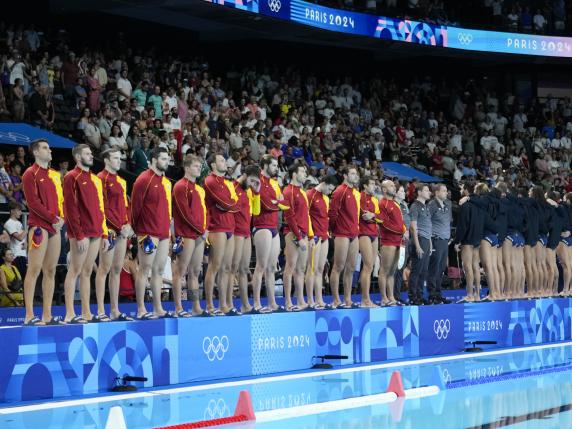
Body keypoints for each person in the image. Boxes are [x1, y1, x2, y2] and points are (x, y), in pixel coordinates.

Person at [63, 144, 109, 323]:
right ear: (77, 157)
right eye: (87, 154)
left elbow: (100, 208)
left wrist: (104, 234)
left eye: (91, 153)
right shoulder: (71, 177)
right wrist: (79, 234)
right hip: (81, 233)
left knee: (88, 271)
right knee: (74, 269)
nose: (91, 156)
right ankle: (69, 313)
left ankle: (86, 312)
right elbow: (70, 208)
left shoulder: (96, 180)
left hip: (96, 230)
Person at [21, 139, 65, 325]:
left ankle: (47, 315)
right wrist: (54, 219)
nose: (50, 150)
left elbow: (60, 199)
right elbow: (33, 203)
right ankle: (29, 315)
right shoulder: (30, 173)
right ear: (36, 152)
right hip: (39, 225)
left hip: (55, 227)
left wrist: (61, 217)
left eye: (49, 147)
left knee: (50, 271)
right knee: (34, 269)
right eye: (46, 148)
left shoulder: (55, 174)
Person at [131, 147, 172, 319]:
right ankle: (141, 308)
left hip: (163, 232)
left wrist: (169, 230)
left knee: (159, 270)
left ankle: (157, 307)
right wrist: (136, 229)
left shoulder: (166, 182)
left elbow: (168, 209)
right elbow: (135, 207)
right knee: (144, 269)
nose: (167, 162)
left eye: (167, 159)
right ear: (154, 160)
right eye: (163, 159)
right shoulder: (143, 179)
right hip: (147, 232)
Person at [94, 148, 134, 322]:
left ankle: (115, 309)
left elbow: (125, 207)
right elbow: (101, 207)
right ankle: (101, 310)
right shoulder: (100, 179)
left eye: (120, 158)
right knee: (104, 269)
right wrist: (119, 226)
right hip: (109, 229)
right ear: (106, 160)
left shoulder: (122, 181)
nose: (119, 161)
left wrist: (128, 224)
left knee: (117, 269)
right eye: (116, 158)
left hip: (122, 230)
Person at [172, 155, 208, 317]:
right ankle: (178, 307)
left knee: (194, 273)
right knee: (180, 272)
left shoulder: (198, 188)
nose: (198, 169)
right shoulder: (180, 186)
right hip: (187, 234)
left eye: (199, 166)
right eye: (195, 166)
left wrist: (204, 229)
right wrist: (201, 230)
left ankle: (195, 306)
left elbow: (203, 212)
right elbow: (184, 213)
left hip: (199, 234)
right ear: (187, 168)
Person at [252, 155, 288, 313]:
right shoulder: (256, 180)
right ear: (265, 165)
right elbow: (265, 204)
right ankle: (257, 303)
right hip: (261, 225)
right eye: (273, 165)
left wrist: (277, 202)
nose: (276, 168)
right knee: (260, 266)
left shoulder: (274, 183)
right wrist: (277, 203)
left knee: (272, 267)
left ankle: (272, 302)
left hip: (274, 226)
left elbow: (284, 204)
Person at [203, 153, 239, 315]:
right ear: (213, 165)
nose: (225, 163)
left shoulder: (226, 182)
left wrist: (230, 204)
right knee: (214, 266)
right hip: (217, 227)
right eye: (222, 161)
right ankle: (210, 305)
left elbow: (233, 203)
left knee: (226, 267)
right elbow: (226, 203)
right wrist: (230, 204)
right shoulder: (210, 180)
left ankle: (224, 304)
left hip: (230, 226)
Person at [328, 165, 361, 308]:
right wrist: (335, 230)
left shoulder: (355, 192)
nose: (355, 176)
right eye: (352, 173)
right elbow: (332, 213)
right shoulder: (339, 191)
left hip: (354, 233)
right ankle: (336, 299)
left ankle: (347, 298)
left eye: (356, 174)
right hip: (342, 233)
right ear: (346, 176)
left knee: (351, 267)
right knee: (338, 266)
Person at [231, 164, 261, 313]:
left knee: (243, 269)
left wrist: (257, 193)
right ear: (244, 174)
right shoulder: (233, 187)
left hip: (246, 232)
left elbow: (256, 212)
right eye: (251, 180)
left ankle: (245, 305)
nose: (251, 184)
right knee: (232, 269)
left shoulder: (249, 191)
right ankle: (228, 304)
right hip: (235, 232)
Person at [282, 163, 311, 311]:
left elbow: (305, 216)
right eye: (302, 171)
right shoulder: (288, 191)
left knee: (301, 269)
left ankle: (300, 300)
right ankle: (288, 302)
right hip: (293, 233)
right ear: (294, 174)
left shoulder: (302, 192)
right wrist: (299, 237)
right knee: (290, 267)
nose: (305, 174)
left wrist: (308, 236)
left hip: (303, 234)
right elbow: (289, 216)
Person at [305, 175, 337, 309]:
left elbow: (326, 217)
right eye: (329, 188)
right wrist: (310, 235)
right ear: (324, 183)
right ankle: (310, 300)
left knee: (320, 270)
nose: (330, 192)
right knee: (311, 269)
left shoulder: (325, 197)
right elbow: (304, 216)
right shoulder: (310, 195)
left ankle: (319, 299)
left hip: (324, 236)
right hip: (314, 237)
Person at [378, 180, 407, 306]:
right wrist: (401, 230)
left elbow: (400, 222)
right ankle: (384, 297)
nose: (394, 187)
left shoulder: (395, 203)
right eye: (391, 186)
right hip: (388, 241)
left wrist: (404, 230)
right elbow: (383, 222)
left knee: (392, 272)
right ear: (384, 190)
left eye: (394, 185)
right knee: (384, 270)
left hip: (398, 241)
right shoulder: (382, 203)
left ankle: (391, 297)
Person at [427, 184, 452, 304]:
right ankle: (432, 294)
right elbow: (426, 222)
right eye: (444, 191)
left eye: (446, 190)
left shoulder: (448, 204)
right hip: (435, 240)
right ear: (436, 193)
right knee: (434, 268)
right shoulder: (432, 205)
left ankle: (438, 293)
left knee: (441, 268)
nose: (446, 193)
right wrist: (430, 240)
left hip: (444, 241)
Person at [358, 176, 381, 307]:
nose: (374, 186)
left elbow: (379, 217)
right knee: (367, 265)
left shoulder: (374, 199)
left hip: (374, 233)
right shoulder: (359, 197)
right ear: (365, 186)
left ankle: (366, 299)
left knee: (371, 267)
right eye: (371, 183)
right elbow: (364, 216)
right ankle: (365, 300)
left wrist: (373, 216)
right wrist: (373, 216)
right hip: (363, 232)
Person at [409, 183, 432, 305]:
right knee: (416, 270)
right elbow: (413, 227)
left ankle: (420, 295)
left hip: (426, 240)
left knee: (424, 271)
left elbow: (428, 227)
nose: (429, 192)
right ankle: (413, 296)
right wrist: (417, 245)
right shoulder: (415, 206)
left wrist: (430, 243)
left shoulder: (426, 206)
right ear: (419, 192)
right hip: (420, 240)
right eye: (427, 190)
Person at [393, 184, 410, 304]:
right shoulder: (392, 205)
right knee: (393, 269)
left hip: (406, 240)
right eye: (402, 191)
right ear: (395, 192)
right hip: (395, 240)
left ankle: (397, 296)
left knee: (400, 268)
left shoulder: (404, 205)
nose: (404, 193)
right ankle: (391, 296)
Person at [3, 201, 27, 277]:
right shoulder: (9, 223)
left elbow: (23, 238)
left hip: (22, 254)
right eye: (18, 210)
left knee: (23, 278)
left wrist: (26, 243)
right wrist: (28, 227)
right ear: (12, 211)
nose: (20, 212)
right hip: (15, 255)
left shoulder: (19, 223)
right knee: (18, 279)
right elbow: (19, 237)